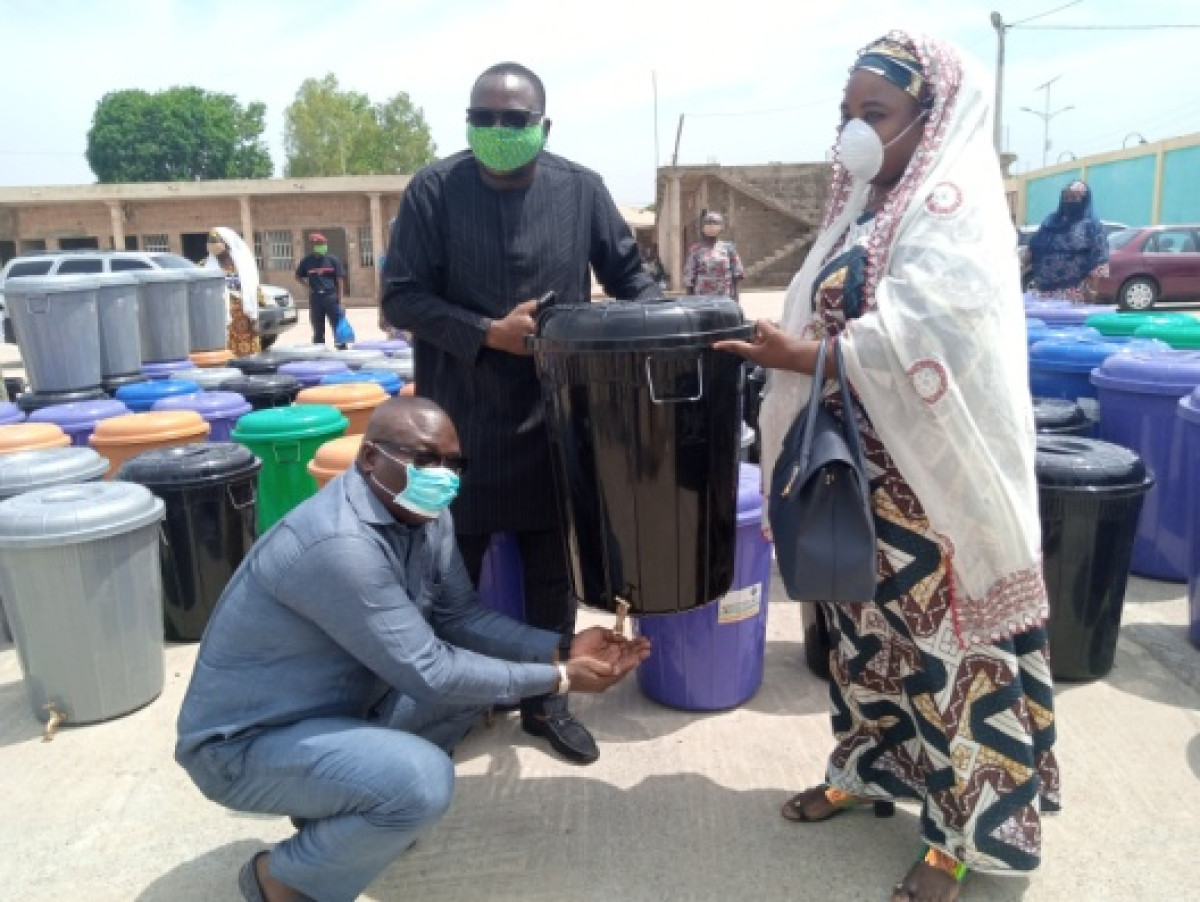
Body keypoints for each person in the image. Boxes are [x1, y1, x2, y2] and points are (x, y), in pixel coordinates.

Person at [715, 32, 1060, 902]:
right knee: (865, 646)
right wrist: (794, 355)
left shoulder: (953, 205)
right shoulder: (862, 209)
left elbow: (933, 338)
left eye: (876, 113)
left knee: (946, 662)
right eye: (847, 114)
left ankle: (956, 832)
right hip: (853, 478)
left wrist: (801, 355)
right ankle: (869, 770)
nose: (856, 131)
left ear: (928, 116)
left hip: (930, 494)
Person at [175, 396, 651, 902]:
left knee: (472, 689)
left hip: (337, 710)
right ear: (369, 458)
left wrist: (561, 646)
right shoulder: (339, 545)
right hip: (244, 745)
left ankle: (341, 810)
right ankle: (280, 878)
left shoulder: (424, 513)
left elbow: (460, 618)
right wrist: (560, 678)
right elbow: (430, 671)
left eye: (453, 463)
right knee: (420, 783)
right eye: (424, 459)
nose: (441, 475)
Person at [382, 62, 657, 766]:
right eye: (485, 119)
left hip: (554, 420)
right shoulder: (434, 191)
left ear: (544, 124)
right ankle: (448, 702)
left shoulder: (580, 190)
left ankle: (547, 702)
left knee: (549, 575)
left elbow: (631, 277)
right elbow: (400, 300)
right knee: (449, 575)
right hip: (457, 424)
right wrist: (484, 332)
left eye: (515, 120)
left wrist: (662, 327)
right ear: (468, 122)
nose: (499, 132)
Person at [1024, 179, 1109, 302]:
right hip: (1043, 291)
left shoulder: (1091, 226)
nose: (1069, 201)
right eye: (1066, 197)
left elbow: (1100, 259)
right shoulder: (1050, 222)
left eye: (1075, 198)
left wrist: (1092, 291)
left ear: (1084, 200)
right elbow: (1034, 246)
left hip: (1074, 293)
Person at [203, 227, 261, 356]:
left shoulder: (243, 265)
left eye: (216, 242)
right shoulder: (205, 265)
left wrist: (256, 317)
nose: (213, 246)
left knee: (249, 352)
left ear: (227, 244)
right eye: (210, 243)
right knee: (226, 351)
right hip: (221, 316)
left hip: (244, 315)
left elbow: (254, 290)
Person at [295, 232, 349, 347]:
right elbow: (298, 276)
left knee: (337, 325)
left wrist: (341, 300)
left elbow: (340, 280)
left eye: (324, 243)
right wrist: (308, 286)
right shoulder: (307, 261)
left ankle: (341, 348)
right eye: (319, 244)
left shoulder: (332, 260)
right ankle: (319, 353)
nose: (322, 246)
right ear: (314, 246)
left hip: (331, 297)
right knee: (317, 328)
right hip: (316, 298)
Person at [683, 211, 744, 300]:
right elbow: (689, 278)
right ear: (703, 227)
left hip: (724, 299)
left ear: (721, 227)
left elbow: (737, 275)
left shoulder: (729, 248)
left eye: (715, 223)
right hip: (701, 300)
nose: (711, 226)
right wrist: (690, 301)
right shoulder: (695, 250)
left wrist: (736, 299)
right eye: (708, 223)